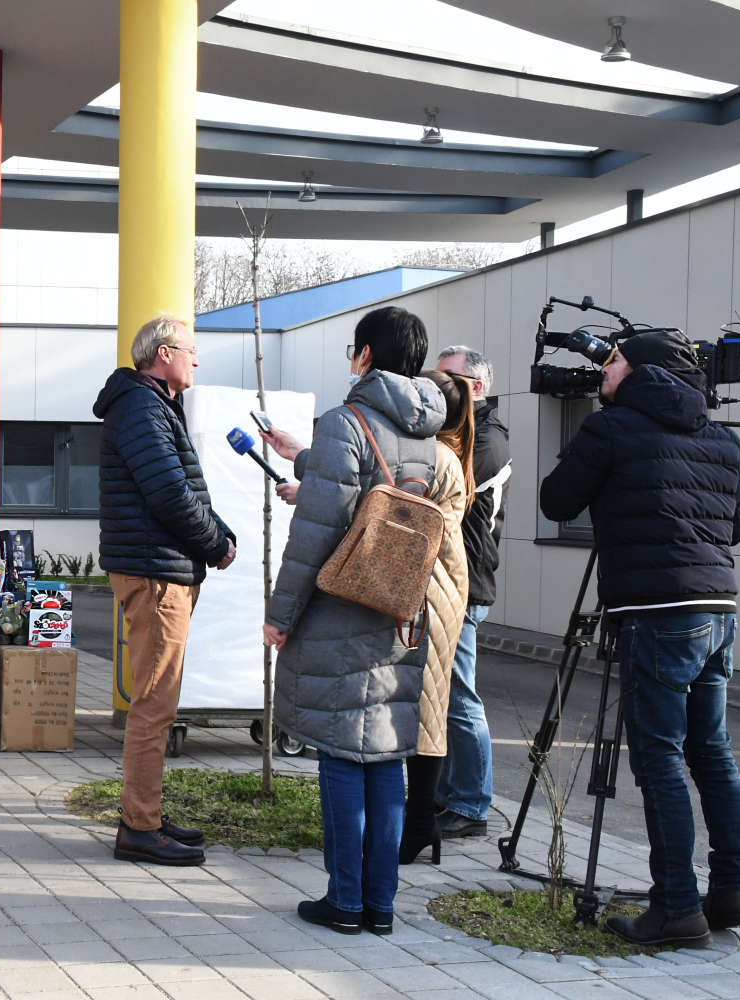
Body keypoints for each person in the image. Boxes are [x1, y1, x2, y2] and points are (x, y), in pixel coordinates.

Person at [541, 329, 740, 947]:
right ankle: (733, 891)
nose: (603, 371)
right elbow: (739, 521)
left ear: (637, 372)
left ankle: (677, 908)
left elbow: (556, 500)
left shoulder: (613, 428)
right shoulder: (720, 433)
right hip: (718, 605)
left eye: (612, 362)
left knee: (659, 758)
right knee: (710, 750)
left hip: (658, 609)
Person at [259, 306, 444, 935]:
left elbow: (316, 533)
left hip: (340, 605)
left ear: (365, 355)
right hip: (399, 610)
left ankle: (343, 901)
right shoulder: (431, 438)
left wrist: (280, 616)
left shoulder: (348, 422)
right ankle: (381, 905)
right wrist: (305, 457)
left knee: (341, 751)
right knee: (386, 756)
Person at [94, 314, 237, 867]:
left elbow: (179, 488)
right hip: (156, 575)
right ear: (163, 353)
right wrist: (215, 544)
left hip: (161, 567)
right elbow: (169, 494)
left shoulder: (151, 404)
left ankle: (146, 812)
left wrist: (217, 533)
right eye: (190, 350)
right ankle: (138, 827)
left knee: (159, 700)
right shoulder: (140, 407)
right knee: (155, 704)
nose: (197, 359)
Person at [434, 346, 510, 839]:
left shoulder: (488, 441)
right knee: (439, 697)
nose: (437, 387)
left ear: (475, 387)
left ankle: (471, 804)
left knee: (459, 695)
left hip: (467, 583)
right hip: (447, 581)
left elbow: (439, 493)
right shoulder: (456, 432)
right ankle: (443, 797)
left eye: (448, 379)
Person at [401, 371, 473, 865]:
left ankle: (420, 823)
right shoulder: (447, 453)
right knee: (427, 706)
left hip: (429, 590)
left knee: (426, 710)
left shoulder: (434, 457)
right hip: (441, 587)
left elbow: (398, 514)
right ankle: (419, 821)